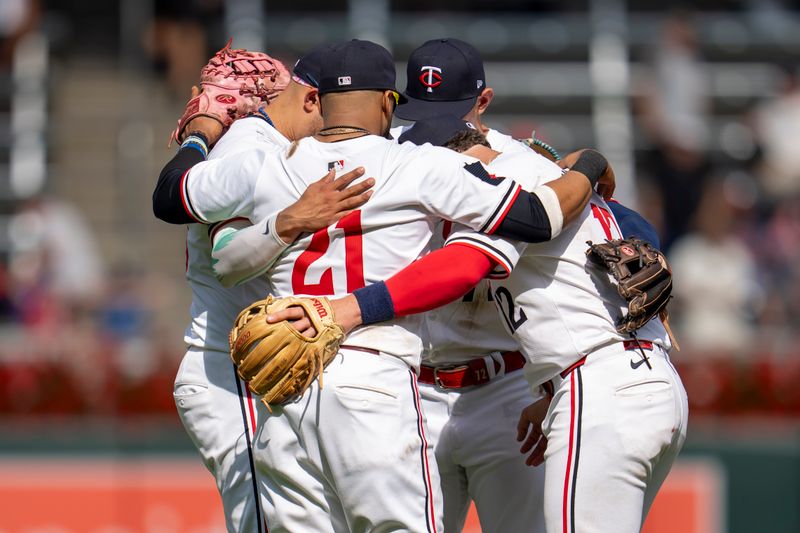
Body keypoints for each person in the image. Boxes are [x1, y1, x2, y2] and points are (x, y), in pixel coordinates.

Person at [158, 38, 615, 532]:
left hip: (286, 383)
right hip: (373, 375)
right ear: (387, 102)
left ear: (318, 100)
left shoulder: (262, 164)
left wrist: (201, 134)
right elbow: (540, 217)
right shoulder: (416, 164)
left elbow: (172, 196)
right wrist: (589, 164)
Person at [286, 116, 688, 533]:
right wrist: (589, 163)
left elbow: (461, 267)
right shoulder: (557, 182)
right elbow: (640, 235)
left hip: (599, 387)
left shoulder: (506, 187)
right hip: (649, 382)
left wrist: (348, 308)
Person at [152, 45, 374, 533]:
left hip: (258, 363)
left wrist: (200, 137)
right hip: (231, 369)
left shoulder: (270, 146)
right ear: (310, 98)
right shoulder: (251, 147)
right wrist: (293, 220)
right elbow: (225, 255)